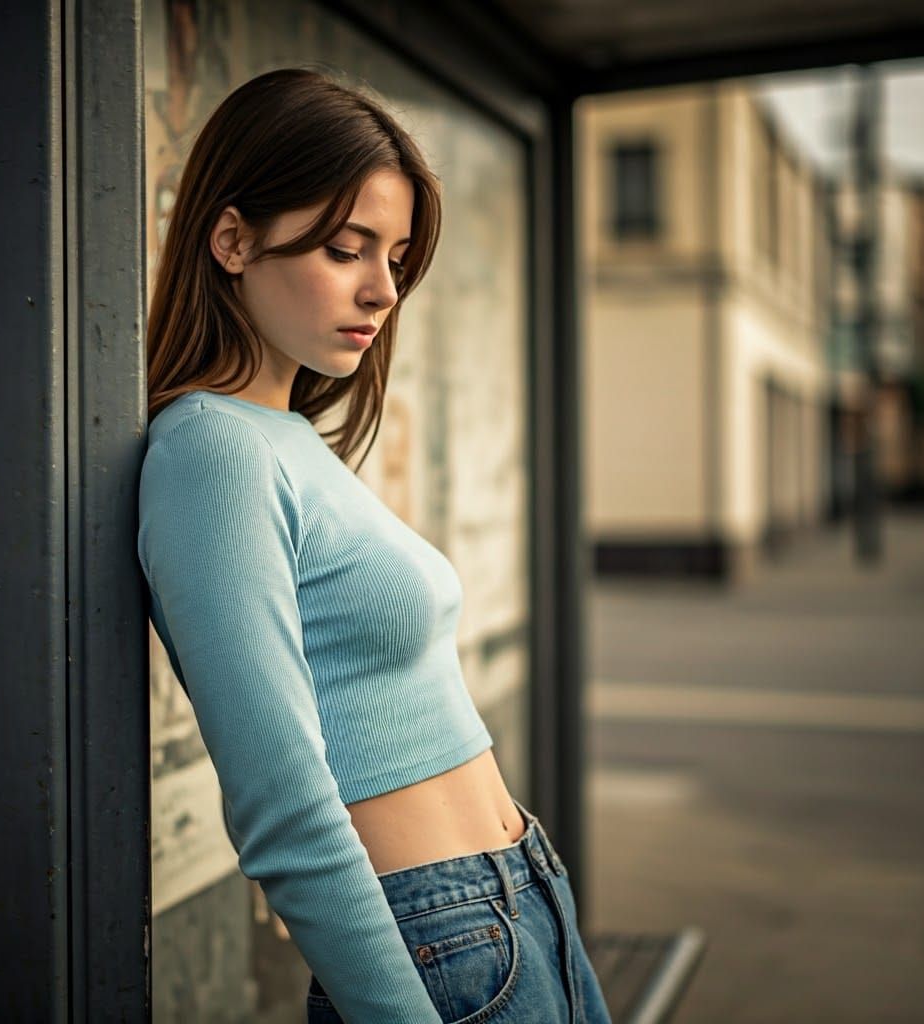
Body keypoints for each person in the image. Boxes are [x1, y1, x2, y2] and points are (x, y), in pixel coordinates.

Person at [138, 66, 613, 1024]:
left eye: (395, 256)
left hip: (521, 895)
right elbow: (283, 806)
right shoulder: (210, 450)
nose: (383, 289)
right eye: (347, 249)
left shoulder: (286, 438)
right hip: (442, 937)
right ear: (232, 239)